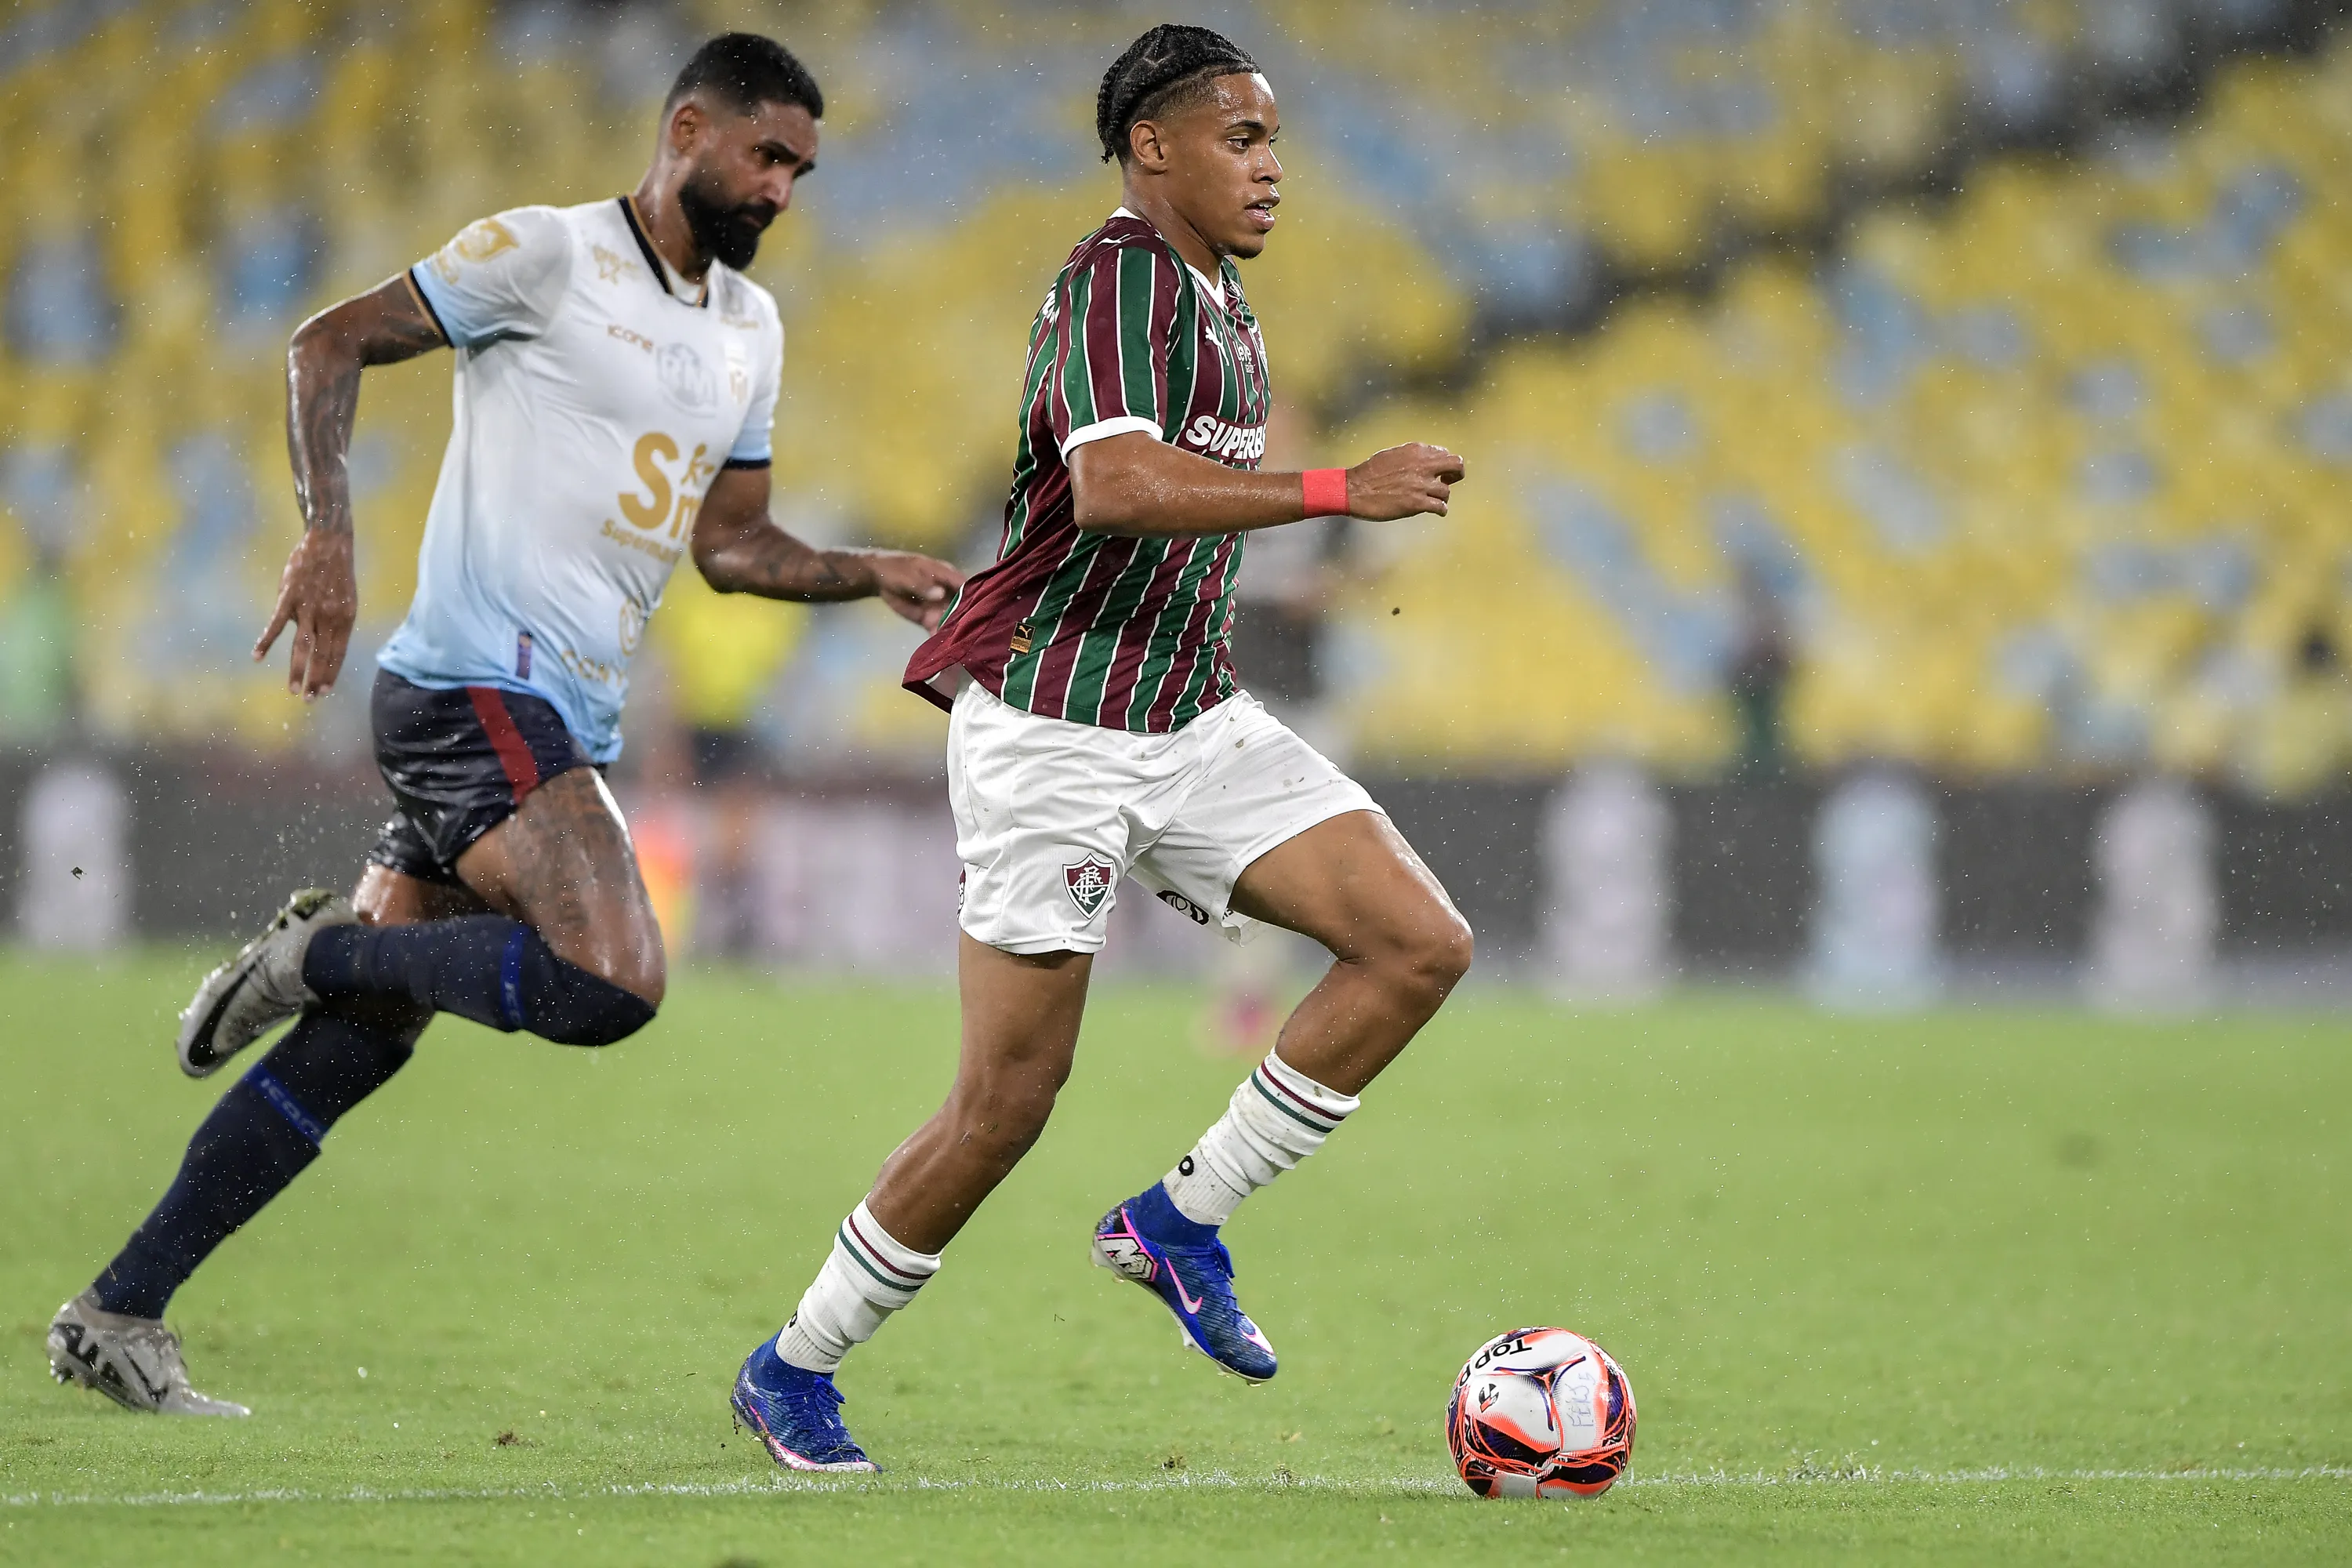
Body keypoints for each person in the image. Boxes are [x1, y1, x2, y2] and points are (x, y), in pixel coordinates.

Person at [47, 34, 962, 1417]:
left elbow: (735, 547)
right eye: (767, 157)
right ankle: (317, 948)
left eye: (802, 170)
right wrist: (330, 535)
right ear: (689, 130)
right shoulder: (547, 256)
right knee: (614, 979)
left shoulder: (749, 331)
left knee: (365, 1036)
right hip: (478, 685)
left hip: (558, 715)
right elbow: (330, 340)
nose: (784, 189)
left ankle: (118, 1308)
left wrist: (867, 571)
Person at [728, 24, 1472, 1473]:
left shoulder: (1222, 302)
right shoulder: (1119, 274)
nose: (1271, 169)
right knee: (1005, 1103)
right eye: (1242, 139)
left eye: (1275, 143)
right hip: (1057, 728)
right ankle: (792, 1365)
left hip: (1187, 712)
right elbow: (1118, 487)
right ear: (1154, 147)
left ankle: (1179, 1223)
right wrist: (1337, 491)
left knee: (1416, 944)